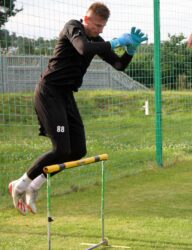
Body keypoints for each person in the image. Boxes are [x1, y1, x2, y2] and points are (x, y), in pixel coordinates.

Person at [8, 2, 148, 215]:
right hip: (49, 94)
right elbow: (83, 48)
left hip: (66, 97)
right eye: (98, 25)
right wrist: (116, 41)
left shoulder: (97, 40)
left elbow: (119, 65)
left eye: (103, 27)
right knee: (61, 148)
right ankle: (19, 185)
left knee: (78, 150)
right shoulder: (73, 27)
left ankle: (34, 187)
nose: (100, 30)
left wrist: (130, 50)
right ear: (87, 19)